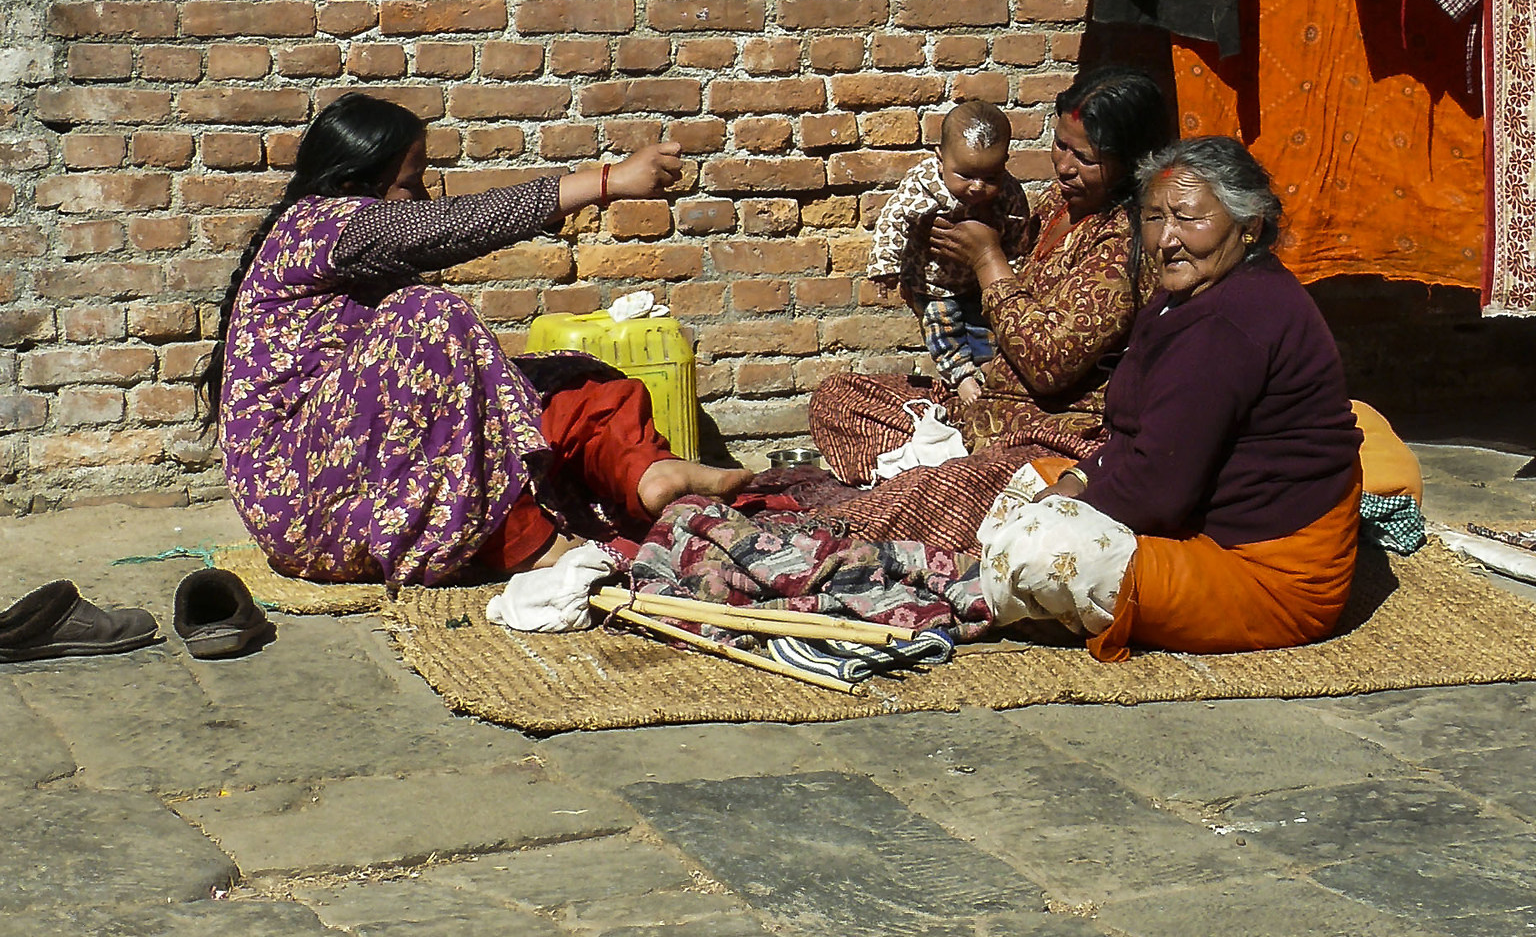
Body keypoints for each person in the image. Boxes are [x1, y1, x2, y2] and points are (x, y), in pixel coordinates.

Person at [203, 94, 749, 589]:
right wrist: (606, 181)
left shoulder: (337, 234)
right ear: (356, 184)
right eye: (411, 182)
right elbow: (453, 225)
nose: (421, 196)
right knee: (431, 319)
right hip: (310, 504)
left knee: (563, 377)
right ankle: (527, 543)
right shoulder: (319, 225)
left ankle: (647, 474)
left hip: (356, 460)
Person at [978, 137, 1362, 659]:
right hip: (1194, 515)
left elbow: (1159, 488)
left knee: (1045, 548)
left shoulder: (1232, 322)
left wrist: (1070, 508)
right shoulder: (1185, 295)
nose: (1167, 239)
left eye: (1189, 219)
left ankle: (1033, 600)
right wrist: (1075, 481)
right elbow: (1138, 436)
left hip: (1266, 573)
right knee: (1032, 484)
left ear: (1248, 226)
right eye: (1155, 218)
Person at [805, 66, 1173, 557]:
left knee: (928, 497)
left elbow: (1049, 368)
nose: (1063, 166)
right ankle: (933, 481)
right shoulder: (1056, 206)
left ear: (1132, 163)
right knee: (840, 397)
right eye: (1060, 145)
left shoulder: (1123, 242)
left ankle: (922, 492)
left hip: (1050, 436)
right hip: (982, 404)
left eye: (1084, 157)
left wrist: (986, 260)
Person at [866, 98, 1031, 390]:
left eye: (990, 177)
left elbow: (1017, 234)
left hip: (977, 281)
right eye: (965, 175)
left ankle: (990, 367)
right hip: (931, 282)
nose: (978, 187)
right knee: (941, 325)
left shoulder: (1009, 192)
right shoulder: (925, 184)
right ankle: (962, 375)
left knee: (985, 325)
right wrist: (886, 265)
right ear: (940, 158)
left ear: (1005, 163)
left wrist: (1015, 272)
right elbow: (894, 219)